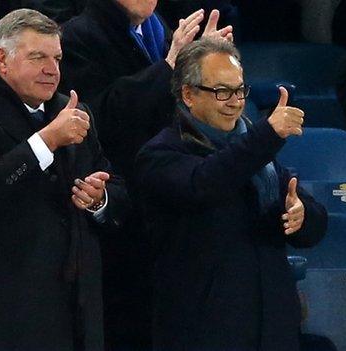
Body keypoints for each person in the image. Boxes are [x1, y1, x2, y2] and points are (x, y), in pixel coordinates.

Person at [0, 9, 129, 350]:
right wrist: (46, 141)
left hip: (79, 310)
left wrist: (100, 199)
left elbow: (116, 187)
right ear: (1, 60)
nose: (52, 70)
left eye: (57, 58)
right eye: (38, 57)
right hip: (8, 313)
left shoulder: (75, 112)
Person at [135, 38, 328, 351]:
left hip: (271, 327)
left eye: (239, 90)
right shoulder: (161, 154)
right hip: (203, 332)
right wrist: (266, 135)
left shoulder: (257, 154)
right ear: (188, 94)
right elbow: (206, 184)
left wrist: (302, 214)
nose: (235, 102)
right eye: (221, 91)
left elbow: (313, 222)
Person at [60, 2, 232, 348]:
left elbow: (180, 108)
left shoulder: (159, 29)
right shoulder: (79, 35)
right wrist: (170, 65)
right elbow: (99, 115)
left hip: (168, 199)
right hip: (119, 206)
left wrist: (202, 73)